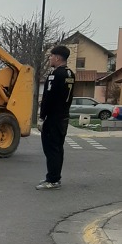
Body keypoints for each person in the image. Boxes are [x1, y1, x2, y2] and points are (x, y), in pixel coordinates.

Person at [36, 45, 75, 189]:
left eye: (51, 56)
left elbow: (48, 98)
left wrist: (42, 117)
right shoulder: (70, 74)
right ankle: (55, 177)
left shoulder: (55, 75)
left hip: (52, 118)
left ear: (58, 57)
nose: (49, 58)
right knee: (58, 148)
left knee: (51, 149)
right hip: (63, 116)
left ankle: (52, 180)